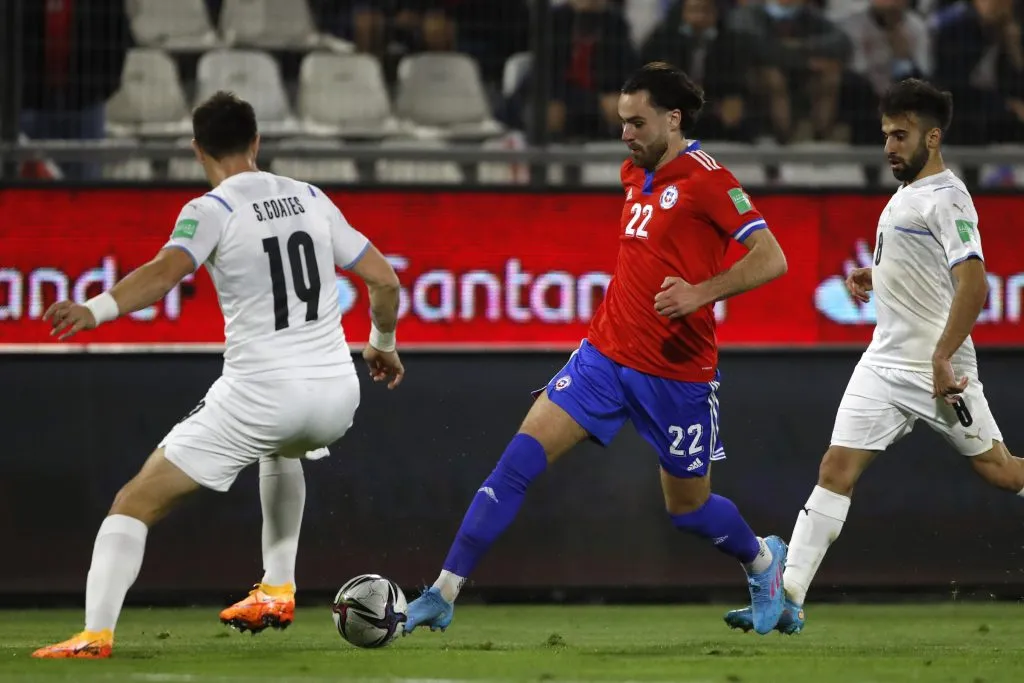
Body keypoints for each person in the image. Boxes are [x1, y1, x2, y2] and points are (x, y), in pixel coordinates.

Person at [403, 61, 790, 637]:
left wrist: (701, 293)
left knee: (687, 511)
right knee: (513, 467)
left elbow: (772, 258)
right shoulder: (635, 176)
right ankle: (442, 592)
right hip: (602, 359)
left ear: (673, 118)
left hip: (677, 375)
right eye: (621, 123)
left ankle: (762, 562)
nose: (626, 135)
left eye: (636, 123)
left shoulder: (709, 178)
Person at [31, 91, 405, 659]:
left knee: (133, 503)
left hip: (262, 396)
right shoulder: (310, 196)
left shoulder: (212, 209)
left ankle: (94, 635)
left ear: (196, 149)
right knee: (281, 450)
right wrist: (382, 344)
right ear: (257, 141)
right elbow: (385, 281)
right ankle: (278, 587)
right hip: (337, 396)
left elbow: (162, 274)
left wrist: (95, 309)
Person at [723, 78, 1024, 635]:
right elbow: (921, 269)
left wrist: (941, 358)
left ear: (932, 138)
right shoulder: (905, 194)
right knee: (835, 471)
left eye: (900, 135)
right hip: (883, 365)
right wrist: (875, 276)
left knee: (1003, 473)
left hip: (939, 370)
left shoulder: (948, 197)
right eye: (885, 134)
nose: (889, 145)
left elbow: (975, 286)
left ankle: (785, 596)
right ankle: (785, 600)